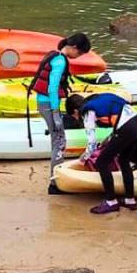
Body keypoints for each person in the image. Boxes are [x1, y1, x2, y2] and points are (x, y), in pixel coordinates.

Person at [31, 32, 92, 194]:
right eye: (79, 53)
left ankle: (55, 180)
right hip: (48, 104)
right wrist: (56, 113)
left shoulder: (55, 55)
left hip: (44, 103)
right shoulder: (59, 61)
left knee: (58, 140)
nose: (78, 57)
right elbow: (52, 88)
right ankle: (54, 184)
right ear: (73, 47)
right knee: (59, 142)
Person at [65, 92, 137, 213]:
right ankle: (129, 200)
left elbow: (91, 144)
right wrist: (108, 140)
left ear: (75, 111)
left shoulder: (87, 112)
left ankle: (111, 202)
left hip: (127, 128)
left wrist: (82, 160)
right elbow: (118, 119)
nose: (76, 119)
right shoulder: (98, 99)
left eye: (73, 116)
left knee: (102, 162)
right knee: (124, 160)